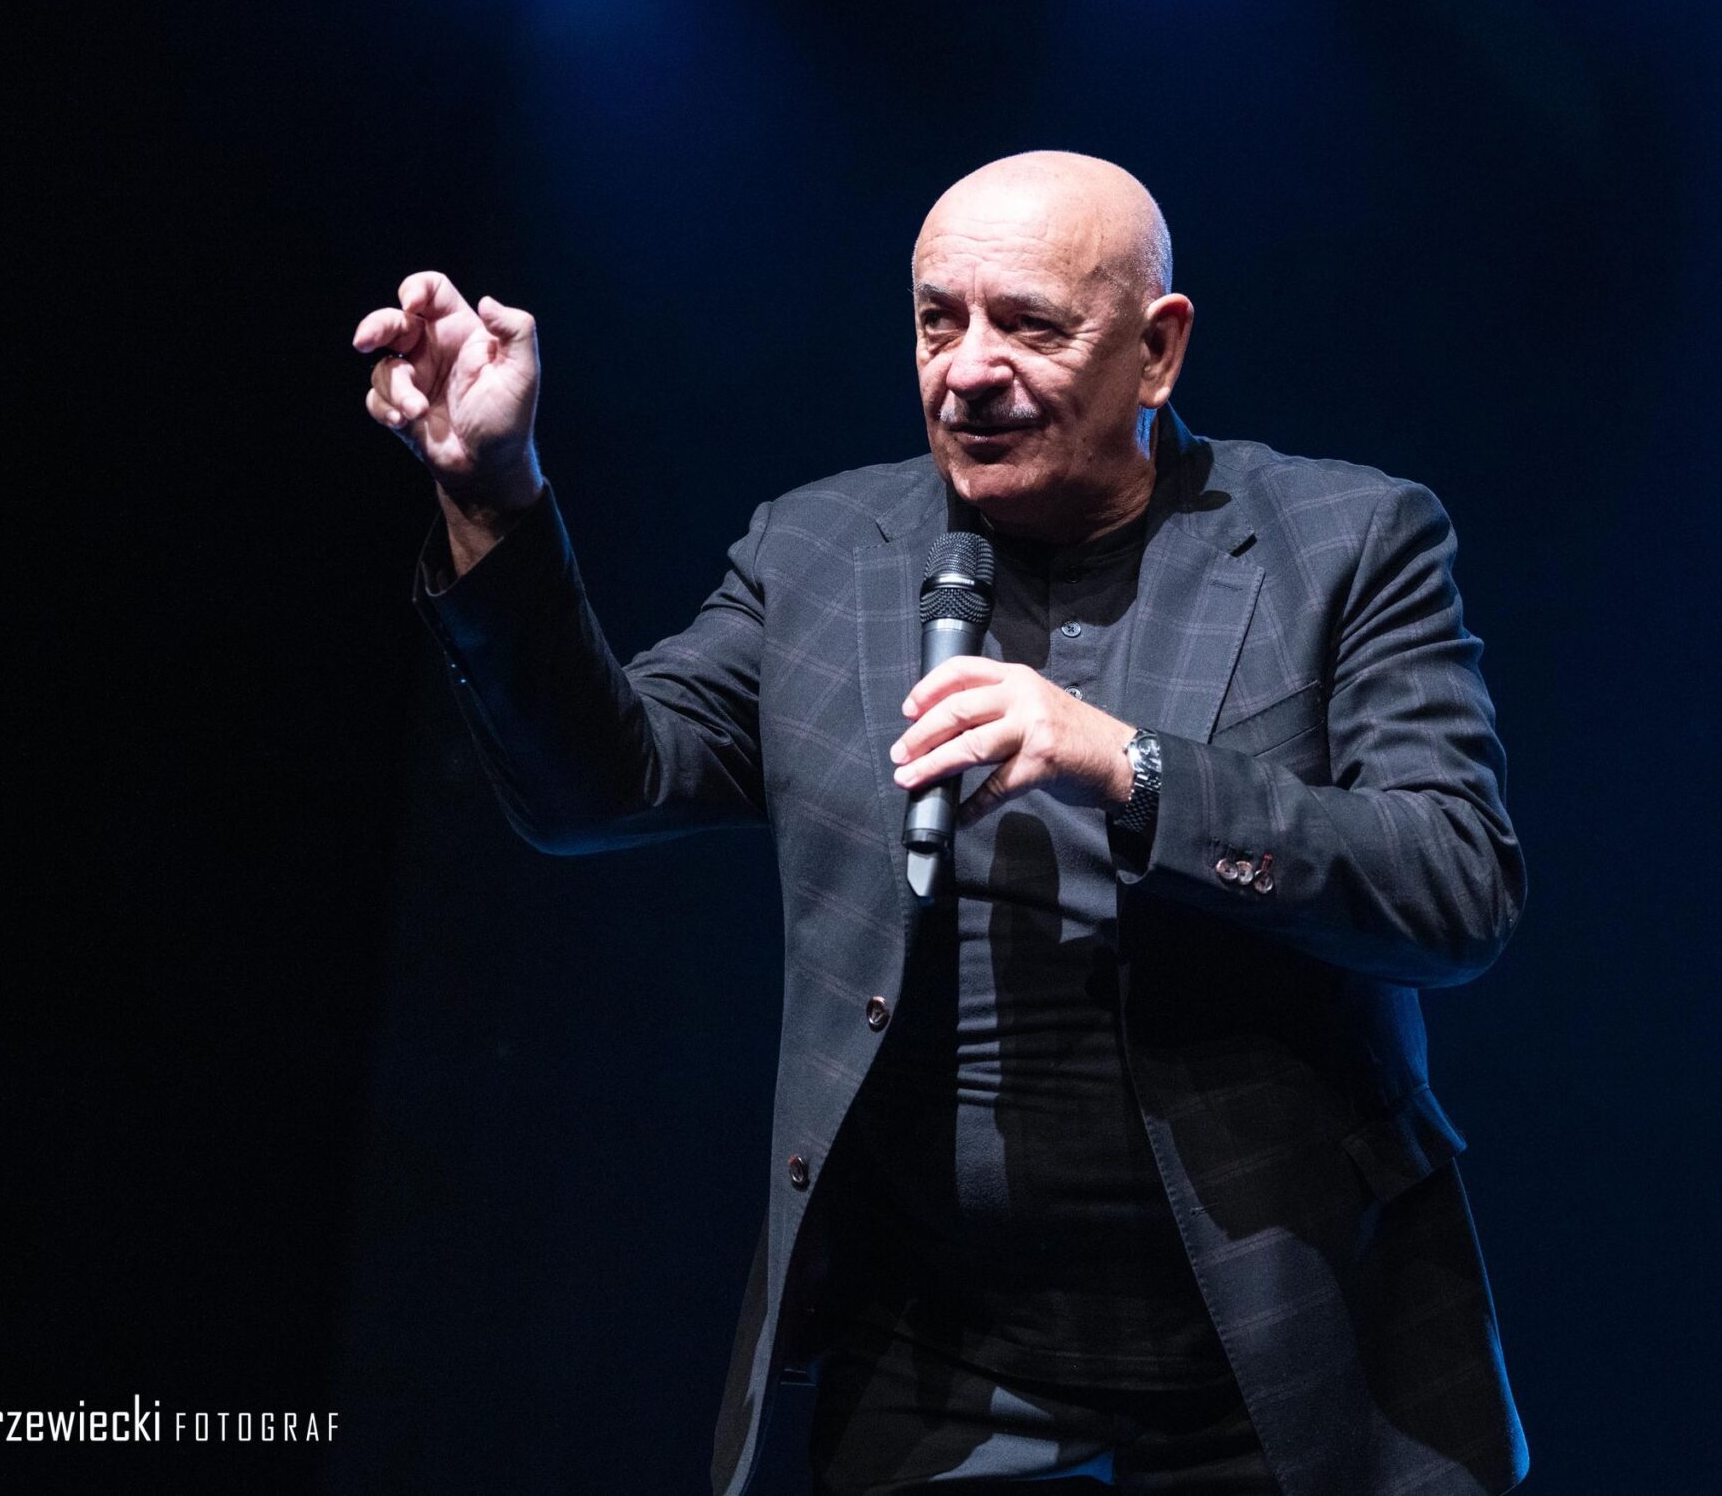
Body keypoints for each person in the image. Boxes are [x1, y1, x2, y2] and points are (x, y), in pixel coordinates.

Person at [355, 152, 1529, 1496]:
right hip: (943, 1359)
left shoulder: (1346, 541)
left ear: (1157, 350)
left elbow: (1457, 888)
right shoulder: (818, 552)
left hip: (1284, 1344)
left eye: (1028, 325)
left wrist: (1129, 765)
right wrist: (493, 494)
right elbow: (601, 784)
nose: (967, 370)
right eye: (935, 322)